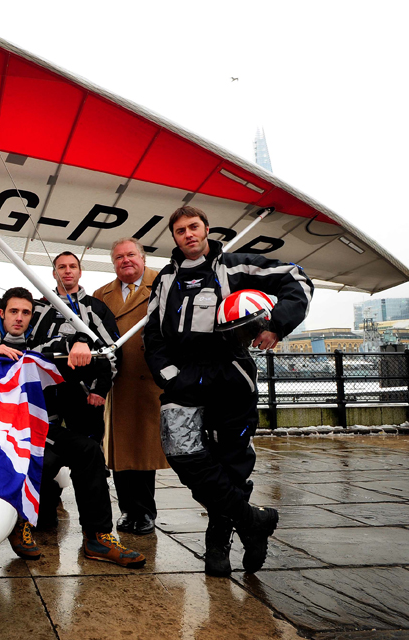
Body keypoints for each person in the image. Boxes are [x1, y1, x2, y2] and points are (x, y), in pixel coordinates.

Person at [144, 205, 312, 576]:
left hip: (231, 374)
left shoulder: (236, 266)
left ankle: (218, 541)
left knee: (230, 463)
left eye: (194, 227)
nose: (188, 234)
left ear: (206, 229)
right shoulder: (165, 280)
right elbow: (153, 335)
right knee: (180, 452)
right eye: (180, 231)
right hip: (184, 379)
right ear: (173, 237)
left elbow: (297, 279)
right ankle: (254, 522)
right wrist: (169, 375)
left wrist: (276, 326)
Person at [0, 284, 145, 568]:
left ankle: (98, 536)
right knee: (34, 466)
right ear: (1, 313)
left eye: (26, 312)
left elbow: (88, 351)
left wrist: (81, 340)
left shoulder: (41, 347)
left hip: (35, 431)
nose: (19, 317)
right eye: (14, 311)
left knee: (89, 450)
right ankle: (20, 519)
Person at [93, 238, 169, 536]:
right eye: (119, 257)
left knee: (143, 451)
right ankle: (128, 510)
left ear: (143, 257)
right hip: (116, 383)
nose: (126, 261)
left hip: (147, 379)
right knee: (120, 453)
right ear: (113, 263)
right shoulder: (102, 295)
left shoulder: (163, 286)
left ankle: (145, 511)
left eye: (131, 255)